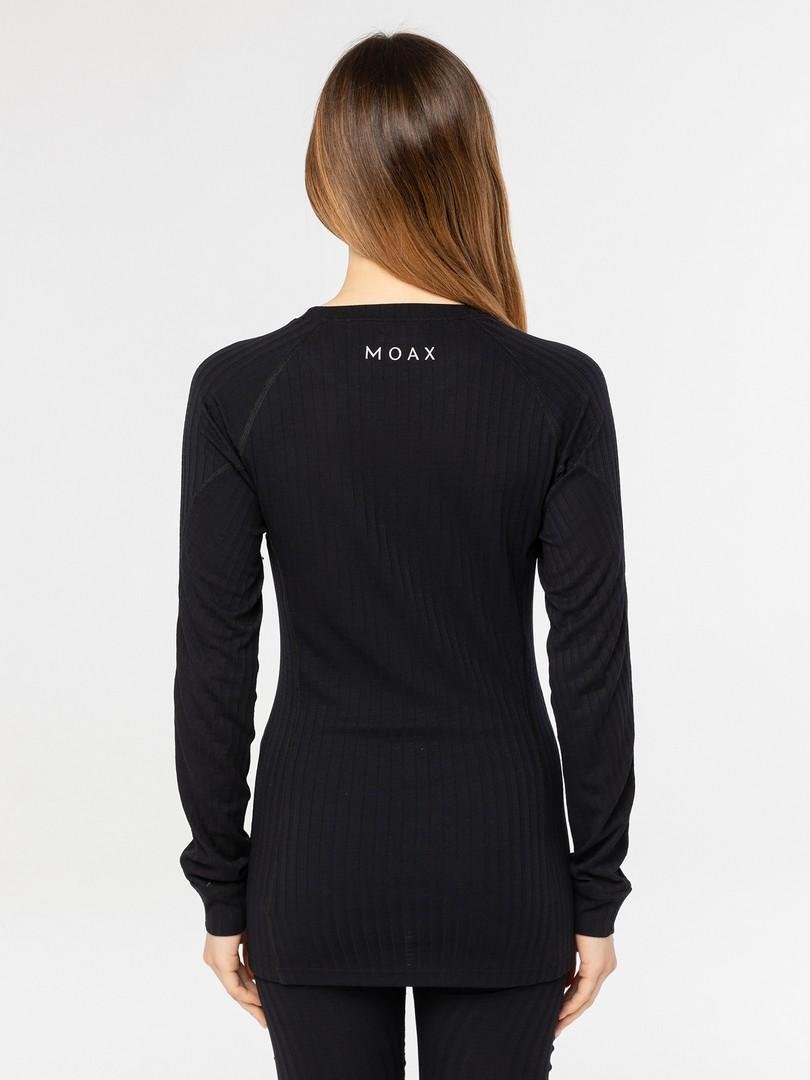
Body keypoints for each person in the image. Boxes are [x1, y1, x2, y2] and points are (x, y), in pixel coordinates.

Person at [173, 29, 635, 1079]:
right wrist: (595, 890)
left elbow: (215, 659)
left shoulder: (241, 390)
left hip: (315, 862)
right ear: (471, 170)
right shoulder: (556, 390)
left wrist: (223, 887)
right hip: (502, 866)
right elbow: (591, 661)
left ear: (325, 174)